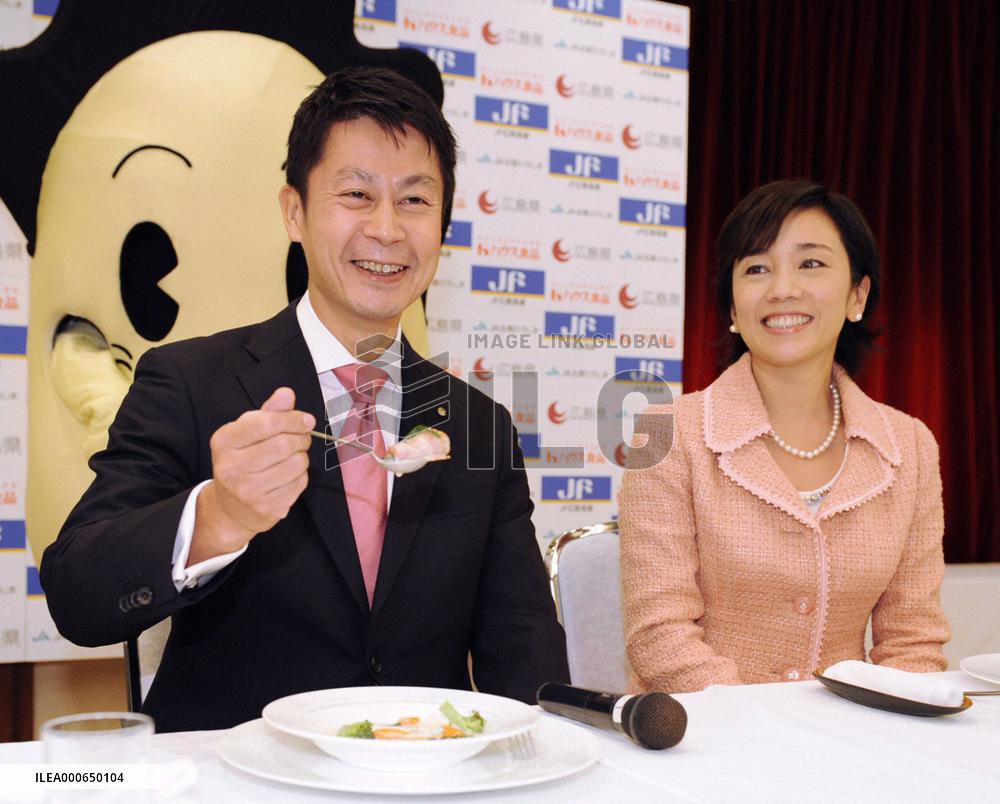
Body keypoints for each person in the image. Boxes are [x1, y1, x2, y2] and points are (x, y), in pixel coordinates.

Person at [40, 66, 569, 731]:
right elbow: (77, 597)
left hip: (418, 775)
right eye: (355, 194)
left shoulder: (477, 426)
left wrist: (547, 754)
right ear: (295, 212)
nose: (386, 229)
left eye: (414, 200)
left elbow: (519, 639)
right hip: (232, 775)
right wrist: (220, 515)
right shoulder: (189, 381)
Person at [619, 180, 949, 693]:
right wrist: (773, 737)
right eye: (756, 268)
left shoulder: (910, 447)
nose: (782, 289)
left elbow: (913, 643)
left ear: (857, 294)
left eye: (811, 264)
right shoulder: (665, 434)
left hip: (852, 744)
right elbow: (661, 637)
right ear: (732, 307)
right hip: (704, 744)